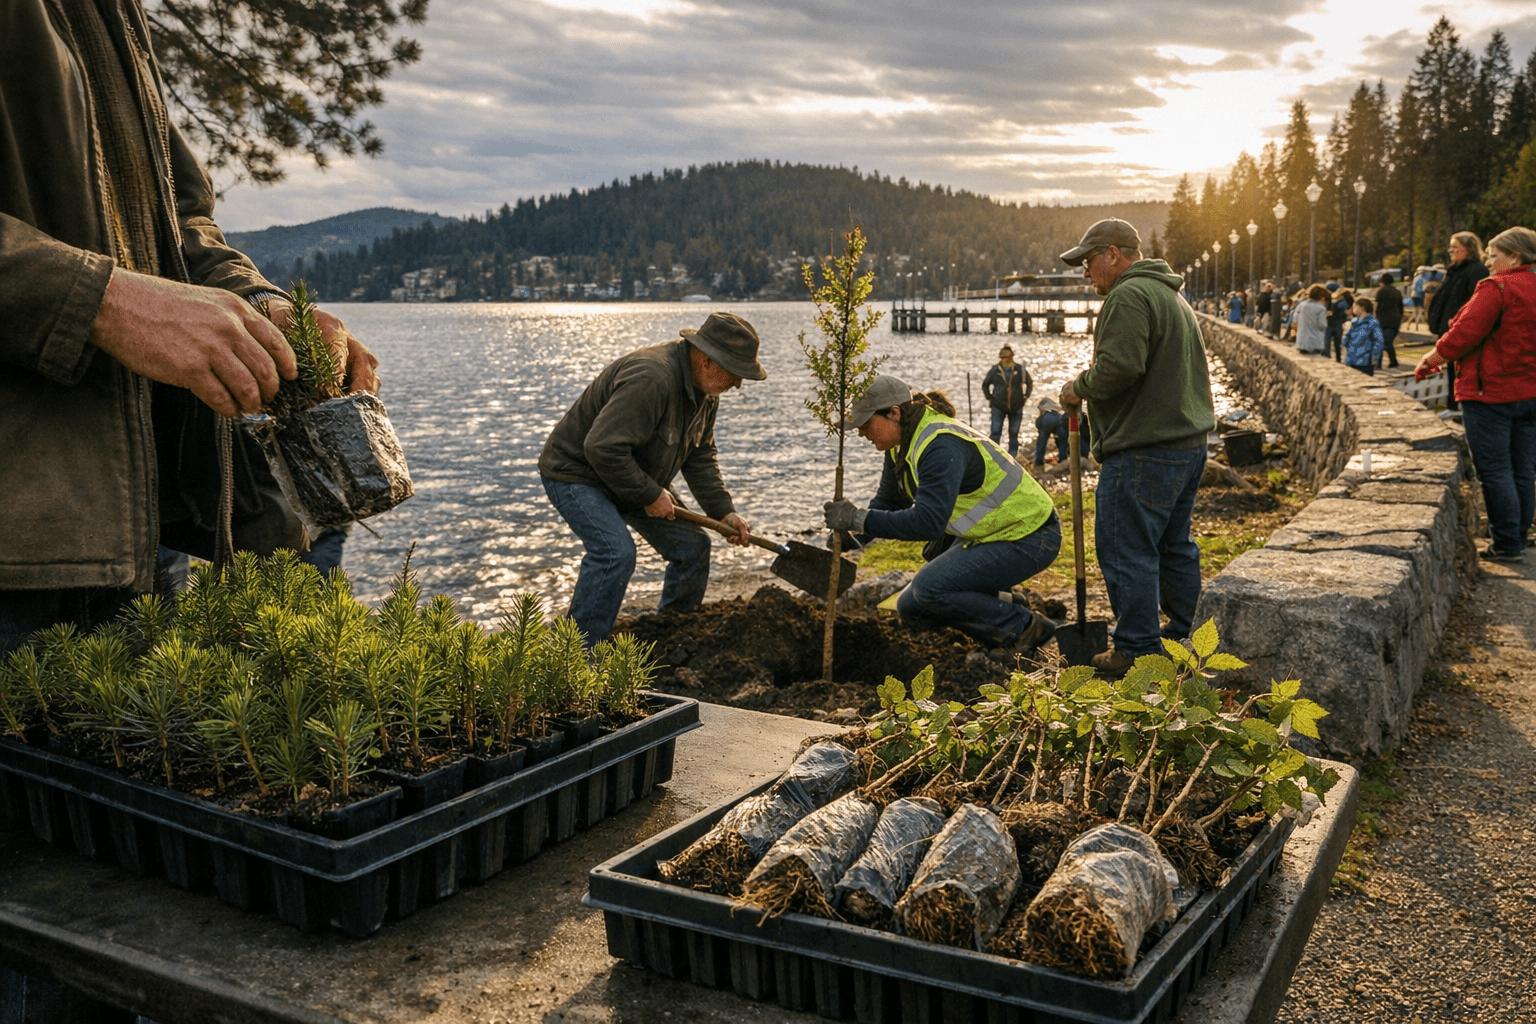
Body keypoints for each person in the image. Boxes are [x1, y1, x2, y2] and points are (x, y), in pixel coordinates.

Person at [1, 0, 379, 650]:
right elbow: (121, 288)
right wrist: (103, 301)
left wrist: (262, 306)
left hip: (138, 532)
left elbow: (178, 221)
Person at [539, 312, 764, 646]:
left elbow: (699, 457)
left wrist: (723, 511)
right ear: (705, 360)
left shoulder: (707, 394)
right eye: (735, 373)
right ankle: (575, 655)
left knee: (693, 547)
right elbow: (601, 449)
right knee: (615, 553)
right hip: (579, 473)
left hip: (635, 476)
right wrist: (648, 494)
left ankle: (670, 636)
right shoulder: (652, 378)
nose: (738, 384)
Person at [1057, 218, 1215, 678]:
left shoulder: (1128, 295)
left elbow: (1119, 368)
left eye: (1088, 262)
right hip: (1186, 443)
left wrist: (1076, 387)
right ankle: (1184, 636)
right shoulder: (1170, 295)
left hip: (1144, 448)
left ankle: (1135, 648)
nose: (1086, 273)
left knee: (1126, 547)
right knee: (1174, 544)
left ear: (1113, 254)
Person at [823, 375, 1061, 659]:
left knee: (929, 589)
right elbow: (888, 501)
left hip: (1032, 535)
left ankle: (1023, 628)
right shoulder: (901, 443)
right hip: (994, 535)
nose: (861, 432)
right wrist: (857, 535)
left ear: (894, 413)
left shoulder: (939, 444)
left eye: (865, 423)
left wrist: (858, 518)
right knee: (910, 606)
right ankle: (1007, 603)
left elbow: (927, 522)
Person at [1414, 226, 1536, 562]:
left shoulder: (1496, 287)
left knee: (1496, 469)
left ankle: (1508, 544)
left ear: (1515, 256)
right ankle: (1519, 537)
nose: (1489, 262)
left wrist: (1430, 359)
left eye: (1494, 255)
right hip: (1530, 394)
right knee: (1523, 469)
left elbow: (1464, 332)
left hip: (1490, 393)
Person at [1431, 234, 1490, 412]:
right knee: (1451, 371)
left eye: (1455, 247)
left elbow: (1477, 301)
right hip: (1448, 329)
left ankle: (1459, 409)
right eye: (1450, 247)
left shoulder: (1476, 271)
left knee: (1461, 371)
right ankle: (1453, 407)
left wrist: (1458, 320)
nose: (1451, 251)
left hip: (1461, 331)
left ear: (1469, 249)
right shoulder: (1454, 271)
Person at [981, 344, 1032, 458]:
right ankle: (994, 456)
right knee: (995, 432)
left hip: (1016, 406)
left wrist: (1025, 396)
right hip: (998, 406)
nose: (1005, 359)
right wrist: (990, 397)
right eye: (1002, 357)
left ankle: (1012, 458)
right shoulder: (995, 370)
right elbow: (985, 385)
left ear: (1012, 357)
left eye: (1007, 357)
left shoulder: (1020, 369)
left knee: (1014, 434)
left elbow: (1029, 383)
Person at [1342, 297, 1385, 376]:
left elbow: (1378, 341)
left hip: (1365, 361)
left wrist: (1373, 357)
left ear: (1362, 307)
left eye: (1355, 306)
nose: (1353, 309)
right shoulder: (1354, 321)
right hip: (1351, 359)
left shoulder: (1372, 322)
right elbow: (1346, 338)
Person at [1374, 272, 1404, 368]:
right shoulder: (1397, 292)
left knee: (1382, 342)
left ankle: (1379, 363)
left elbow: (1377, 307)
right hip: (1395, 320)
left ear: (1382, 282)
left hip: (1383, 320)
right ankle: (1392, 361)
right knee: (1387, 342)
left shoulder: (1381, 291)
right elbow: (1401, 307)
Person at [1293, 284, 1330, 355]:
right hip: (1315, 343)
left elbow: (1295, 319)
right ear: (1320, 297)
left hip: (1301, 342)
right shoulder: (1321, 308)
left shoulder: (1301, 305)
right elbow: (1321, 325)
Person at [1033, 397, 1070, 468]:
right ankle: (1063, 461)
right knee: (1063, 441)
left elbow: (1039, 422)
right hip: (1058, 419)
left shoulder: (1042, 408)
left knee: (1042, 442)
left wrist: (1040, 430)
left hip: (1046, 420)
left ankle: (1039, 462)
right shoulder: (1055, 407)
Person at [1325, 286, 1352, 361]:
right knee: (1338, 343)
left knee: (1327, 342)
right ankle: (1338, 358)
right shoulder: (1343, 302)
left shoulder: (1330, 301)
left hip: (1329, 324)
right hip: (1338, 324)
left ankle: (1327, 357)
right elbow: (1346, 312)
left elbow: (1327, 312)